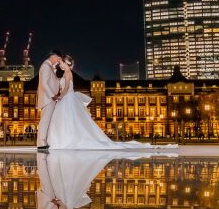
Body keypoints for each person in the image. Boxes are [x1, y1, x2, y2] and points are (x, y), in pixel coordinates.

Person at [46, 55, 177, 150]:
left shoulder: (68, 74)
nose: (60, 64)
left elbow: (66, 88)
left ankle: (66, 141)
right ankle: (65, 140)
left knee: (68, 121)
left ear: (67, 64)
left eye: (62, 63)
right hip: (67, 100)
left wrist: (59, 96)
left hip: (66, 99)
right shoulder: (65, 74)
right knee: (70, 121)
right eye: (60, 63)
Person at [36, 50, 63, 150]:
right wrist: (53, 96)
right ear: (54, 56)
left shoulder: (49, 67)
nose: (59, 61)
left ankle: (44, 141)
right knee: (45, 121)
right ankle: (41, 143)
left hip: (49, 98)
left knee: (47, 121)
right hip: (48, 99)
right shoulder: (45, 66)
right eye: (59, 59)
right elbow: (44, 83)